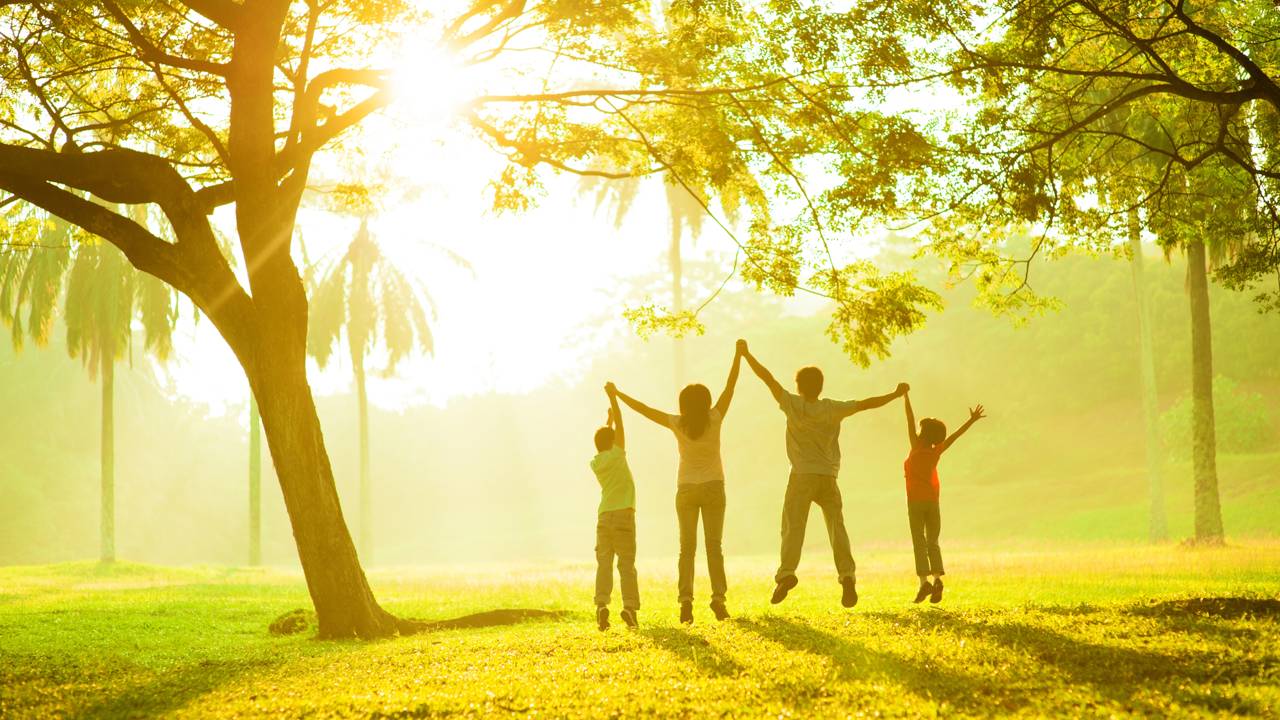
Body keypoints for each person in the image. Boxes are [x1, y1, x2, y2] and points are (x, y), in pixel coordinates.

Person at [739, 339, 907, 608]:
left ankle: (787, 573)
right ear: (820, 386)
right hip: (828, 476)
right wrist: (895, 394)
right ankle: (847, 575)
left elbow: (767, 379)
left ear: (799, 386)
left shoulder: (791, 404)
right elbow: (866, 403)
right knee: (836, 527)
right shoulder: (832, 408)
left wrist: (747, 355)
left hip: (801, 476)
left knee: (793, 526)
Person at [608, 344, 743, 624]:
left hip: (686, 489)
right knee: (714, 547)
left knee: (687, 549)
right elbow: (730, 387)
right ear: (706, 402)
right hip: (713, 487)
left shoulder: (677, 423)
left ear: (683, 405)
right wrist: (738, 355)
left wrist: (617, 395)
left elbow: (645, 410)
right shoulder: (715, 417)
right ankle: (718, 600)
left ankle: (685, 601)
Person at [902, 391, 985, 604]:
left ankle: (924, 583)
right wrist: (971, 420)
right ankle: (937, 579)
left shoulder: (915, 446)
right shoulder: (936, 451)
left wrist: (905, 397)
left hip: (915, 502)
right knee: (933, 541)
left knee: (919, 541)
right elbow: (955, 436)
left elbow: (910, 418)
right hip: (932, 502)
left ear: (923, 434)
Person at [589, 387, 639, 631]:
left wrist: (607, 422)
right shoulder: (618, 454)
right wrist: (613, 397)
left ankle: (601, 605)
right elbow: (621, 423)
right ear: (613, 441)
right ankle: (629, 608)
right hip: (623, 515)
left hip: (604, 516)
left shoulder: (596, 462)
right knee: (626, 565)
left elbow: (603, 442)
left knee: (604, 563)